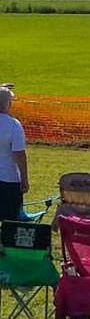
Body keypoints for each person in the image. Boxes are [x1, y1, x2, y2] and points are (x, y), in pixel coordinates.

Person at [0, 86, 27, 221]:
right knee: (9, 220)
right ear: (9, 104)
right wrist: (24, 178)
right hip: (8, 180)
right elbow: (20, 155)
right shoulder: (13, 125)